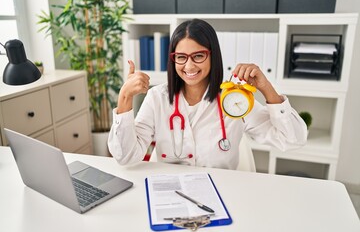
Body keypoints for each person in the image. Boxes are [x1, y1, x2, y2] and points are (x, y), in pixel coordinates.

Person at [108, 19, 307, 170]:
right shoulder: (157, 98)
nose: (189, 65)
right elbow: (125, 157)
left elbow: (293, 140)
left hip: (221, 195)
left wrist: (267, 89)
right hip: (171, 195)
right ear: (173, 59)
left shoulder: (235, 99)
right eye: (181, 57)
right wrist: (125, 97)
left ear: (213, 55)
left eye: (198, 56)